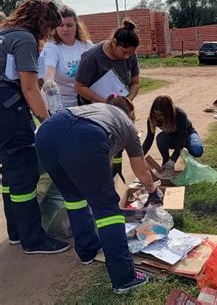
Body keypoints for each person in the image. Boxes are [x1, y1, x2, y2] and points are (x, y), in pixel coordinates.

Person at [35, 95, 154, 294]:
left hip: (47, 133)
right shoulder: (128, 126)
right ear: (130, 114)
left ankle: (88, 249)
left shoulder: (98, 110)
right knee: (107, 208)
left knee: (73, 198)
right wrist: (152, 191)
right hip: (83, 137)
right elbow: (141, 171)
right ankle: (124, 278)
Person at [0, 0, 70, 253]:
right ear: (42, 22)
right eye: (50, 28)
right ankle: (33, 239)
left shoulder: (4, 34)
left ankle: (17, 232)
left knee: (10, 174)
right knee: (24, 174)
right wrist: (48, 122)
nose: (49, 34)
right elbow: (28, 87)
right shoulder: (25, 39)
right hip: (8, 112)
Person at [74, 19, 140, 105]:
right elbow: (79, 86)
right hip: (93, 109)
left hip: (119, 106)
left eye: (131, 53)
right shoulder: (91, 58)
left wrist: (127, 101)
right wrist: (106, 103)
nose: (127, 57)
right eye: (124, 52)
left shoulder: (131, 55)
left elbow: (135, 83)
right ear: (114, 42)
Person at [41, 5, 93, 108]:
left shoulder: (87, 45)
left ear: (76, 26)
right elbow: (48, 70)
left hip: (84, 100)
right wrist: (49, 82)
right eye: (61, 26)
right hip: (59, 103)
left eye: (69, 25)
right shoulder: (51, 47)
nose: (65, 29)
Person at [142, 95, 204, 171]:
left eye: (161, 115)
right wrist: (140, 156)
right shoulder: (152, 119)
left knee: (197, 150)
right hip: (171, 138)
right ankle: (166, 161)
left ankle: (191, 161)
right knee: (161, 138)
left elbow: (182, 139)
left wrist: (173, 159)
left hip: (187, 135)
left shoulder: (180, 115)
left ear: (169, 112)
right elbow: (149, 140)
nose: (158, 117)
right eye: (155, 114)